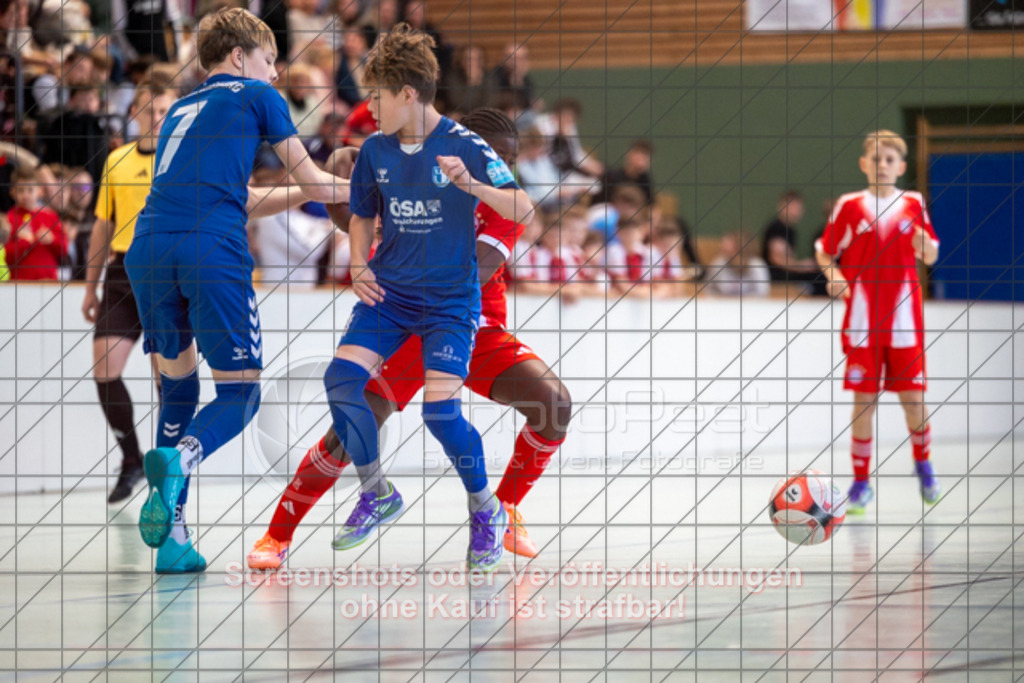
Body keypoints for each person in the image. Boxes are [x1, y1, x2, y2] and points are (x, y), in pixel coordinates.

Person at [248, 109, 570, 570]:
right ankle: (276, 536)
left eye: (510, 161)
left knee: (554, 404)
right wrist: (352, 188)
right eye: (496, 156)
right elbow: (354, 213)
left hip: (468, 325)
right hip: (402, 325)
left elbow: (469, 274)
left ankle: (503, 509)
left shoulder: (504, 206)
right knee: (350, 428)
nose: (503, 168)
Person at [124, 8, 347, 574]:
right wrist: (369, 186)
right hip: (210, 251)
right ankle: (183, 456)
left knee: (177, 391)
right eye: (271, 61)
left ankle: (172, 540)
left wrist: (299, 194)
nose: (275, 74)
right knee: (241, 394)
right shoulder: (257, 95)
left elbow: (237, 195)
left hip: (149, 248)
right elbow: (318, 182)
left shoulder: (179, 109)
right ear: (241, 56)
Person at [317, 24, 534, 574]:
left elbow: (523, 210)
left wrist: (473, 187)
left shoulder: (466, 147)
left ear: (408, 94)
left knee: (440, 415)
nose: (370, 107)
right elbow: (363, 214)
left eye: (378, 97)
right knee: (341, 383)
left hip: (448, 303)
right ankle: (377, 492)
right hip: (389, 294)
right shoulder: (375, 149)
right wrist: (360, 261)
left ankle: (486, 510)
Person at [815, 129, 941, 514]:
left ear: (901, 167)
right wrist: (832, 275)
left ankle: (923, 465)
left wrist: (927, 247)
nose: (882, 165)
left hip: (904, 322)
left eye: (890, 160)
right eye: (876, 159)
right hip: (863, 323)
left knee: (914, 403)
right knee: (864, 403)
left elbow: (932, 254)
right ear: (864, 163)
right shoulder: (850, 205)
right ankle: (860, 483)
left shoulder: (914, 203)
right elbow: (824, 252)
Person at [82, 86, 174, 504]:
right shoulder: (117, 159)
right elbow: (103, 225)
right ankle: (131, 459)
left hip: (165, 274)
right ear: (135, 111)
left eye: (166, 109)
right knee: (104, 367)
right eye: (152, 108)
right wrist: (90, 285)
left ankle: (168, 466)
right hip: (120, 275)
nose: (158, 115)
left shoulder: (180, 157)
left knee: (166, 379)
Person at [4, 165, 66, 280]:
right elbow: (5, 255)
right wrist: (24, 242)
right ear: (12, 192)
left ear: (40, 191)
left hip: (49, 282)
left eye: (30, 190)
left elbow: (64, 249)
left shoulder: (50, 216)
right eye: (21, 190)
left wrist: (52, 240)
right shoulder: (9, 219)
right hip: (19, 285)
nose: (26, 195)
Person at [761, 190, 827, 295]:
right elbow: (777, 259)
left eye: (799, 208)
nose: (798, 211)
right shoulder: (777, 228)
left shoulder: (790, 230)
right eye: (794, 207)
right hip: (776, 277)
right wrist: (802, 266)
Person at [705, 230, 770, 297]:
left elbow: (762, 293)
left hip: (750, 306)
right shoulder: (718, 264)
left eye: (730, 242)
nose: (723, 245)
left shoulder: (757, 265)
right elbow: (708, 290)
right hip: (723, 305)